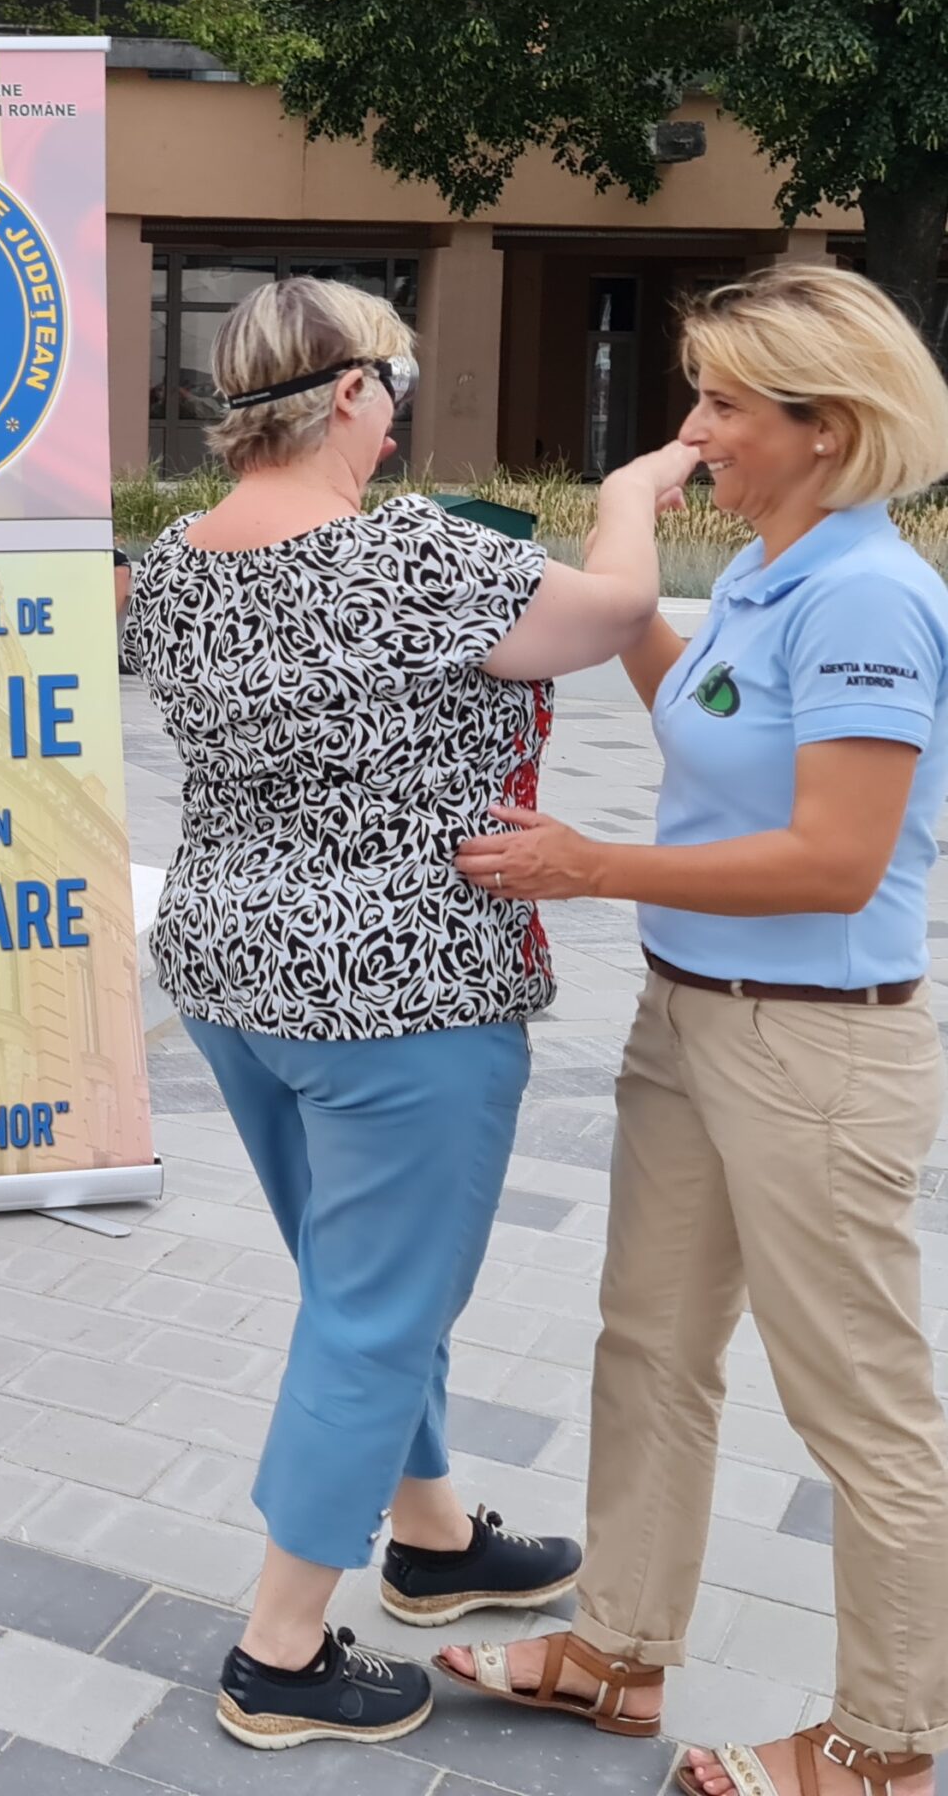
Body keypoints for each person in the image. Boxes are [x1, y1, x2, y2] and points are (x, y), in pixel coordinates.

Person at [122, 274, 699, 1752]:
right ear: (358, 396)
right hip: (405, 992)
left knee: (357, 1283)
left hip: (235, 971)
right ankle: (280, 1649)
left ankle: (432, 1536)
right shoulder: (419, 559)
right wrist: (631, 488)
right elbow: (618, 614)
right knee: (377, 1314)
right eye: (399, 385)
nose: (395, 420)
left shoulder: (171, 562)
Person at [441, 262, 948, 1796]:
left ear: (827, 424)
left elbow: (835, 857)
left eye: (728, 404)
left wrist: (593, 866)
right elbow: (701, 717)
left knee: (862, 1406)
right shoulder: (773, 576)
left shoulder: (869, 594)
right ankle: (618, 1650)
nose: (699, 427)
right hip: (692, 1016)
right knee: (651, 1345)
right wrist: (628, 546)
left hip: (814, 1047)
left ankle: (885, 1741)